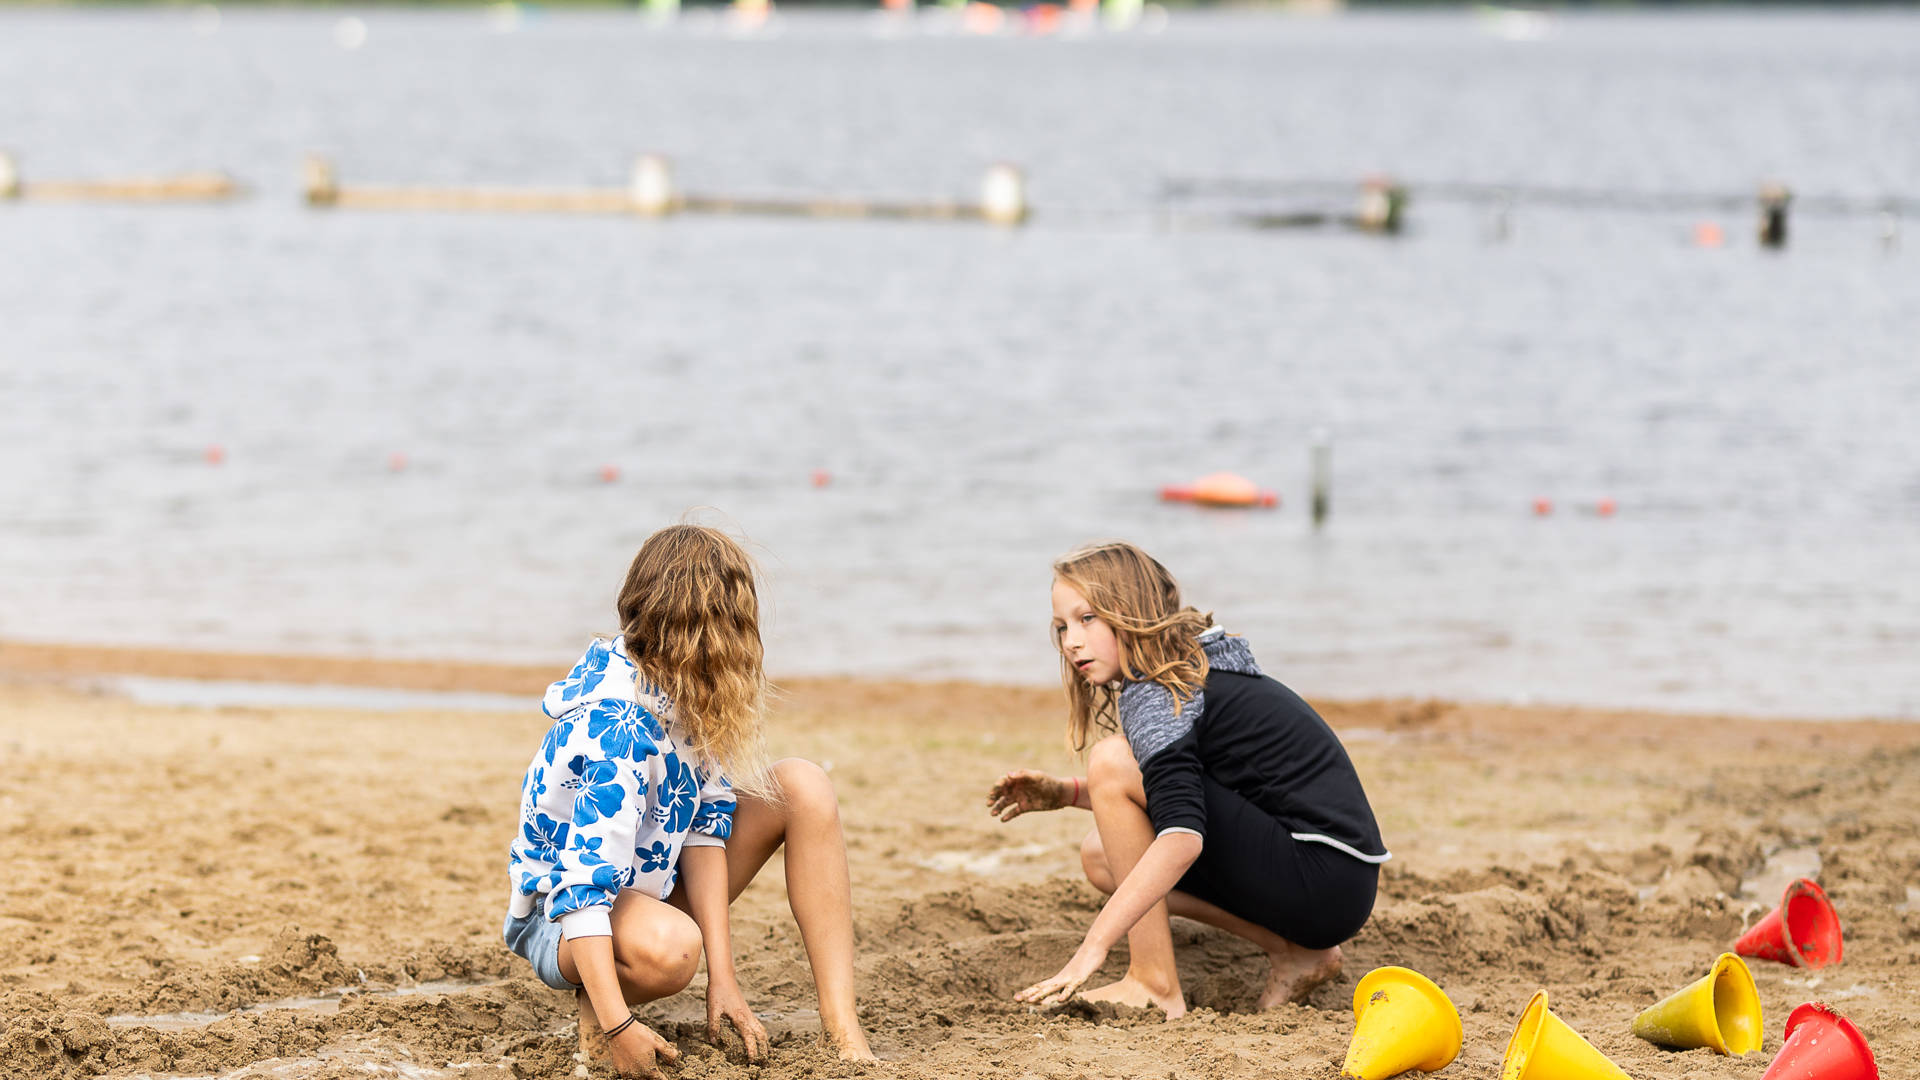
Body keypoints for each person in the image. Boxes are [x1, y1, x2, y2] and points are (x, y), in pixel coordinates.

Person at [505, 524, 874, 1078]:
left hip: (645, 888)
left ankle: (843, 1027)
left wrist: (722, 980)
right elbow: (582, 892)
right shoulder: (616, 729)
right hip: (561, 918)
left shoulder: (686, 695)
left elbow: (702, 832)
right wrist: (618, 1028)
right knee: (673, 948)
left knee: (803, 786)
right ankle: (598, 1011)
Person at [988, 541, 1389, 1019]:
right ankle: (1295, 952)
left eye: (1087, 618)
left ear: (1131, 610)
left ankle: (1153, 983)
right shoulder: (1187, 664)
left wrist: (1091, 949)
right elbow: (1188, 796)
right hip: (1338, 880)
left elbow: (1183, 835)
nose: (1072, 640)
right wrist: (1068, 793)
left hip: (1322, 870)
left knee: (1112, 759)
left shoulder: (1158, 689)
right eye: (1062, 627)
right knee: (1103, 857)